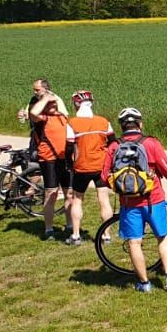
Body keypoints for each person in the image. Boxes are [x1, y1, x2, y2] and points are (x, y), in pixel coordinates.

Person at [101, 107, 167, 292]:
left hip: (129, 204)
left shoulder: (114, 146)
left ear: (122, 126)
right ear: (140, 124)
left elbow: (104, 177)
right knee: (162, 237)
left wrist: (123, 188)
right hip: (154, 200)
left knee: (134, 242)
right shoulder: (151, 143)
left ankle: (144, 283)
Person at [65, 90, 114, 246]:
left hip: (82, 166)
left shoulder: (72, 122)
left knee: (77, 199)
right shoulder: (104, 121)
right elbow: (113, 142)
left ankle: (76, 235)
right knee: (104, 200)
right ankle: (107, 235)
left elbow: (69, 147)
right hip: (101, 165)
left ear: (76, 104)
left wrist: (69, 163)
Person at [31, 94, 76, 240]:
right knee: (51, 193)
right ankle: (49, 229)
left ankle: (70, 225)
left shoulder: (63, 117)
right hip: (49, 159)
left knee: (70, 193)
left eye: (54, 103)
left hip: (65, 160)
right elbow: (33, 113)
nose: (53, 105)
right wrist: (45, 98)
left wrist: (55, 98)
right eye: (49, 104)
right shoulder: (42, 119)